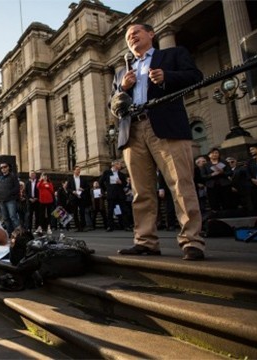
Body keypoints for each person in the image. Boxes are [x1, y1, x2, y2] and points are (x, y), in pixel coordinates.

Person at [110, 23, 205, 260]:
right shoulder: (121, 73)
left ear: (151, 34)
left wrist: (167, 77)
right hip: (133, 130)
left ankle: (192, 241)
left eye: (136, 33)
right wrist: (122, 89)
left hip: (165, 125)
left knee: (180, 184)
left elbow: (196, 77)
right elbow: (112, 106)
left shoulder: (172, 54)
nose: (131, 37)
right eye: (128, 36)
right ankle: (145, 241)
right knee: (141, 191)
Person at [99, 160, 129, 232]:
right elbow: (100, 182)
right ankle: (110, 226)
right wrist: (106, 190)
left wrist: (121, 182)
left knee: (124, 210)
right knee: (110, 211)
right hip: (111, 195)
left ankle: (126, 226)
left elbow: (125, 184)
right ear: (114, 165)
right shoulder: (107, 173)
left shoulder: (121, 174)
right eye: (119, 164)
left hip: (120, 195)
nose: (120, 166)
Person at [0, 162, 20, 235]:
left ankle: (19, 234)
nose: (3, 169)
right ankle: (10, 234)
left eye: (5, 167)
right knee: (6, 219)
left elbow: (17, 188)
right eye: (1, 168)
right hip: (2, 201)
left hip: (10, 200)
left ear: (8, 167)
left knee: (13, 217)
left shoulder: (13, 176)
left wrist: (9, 193)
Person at [67, 166, 90, 232]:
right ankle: (77, 227)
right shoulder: (70, 179)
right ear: (74, 171)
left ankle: (83, 226)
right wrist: (72, 191)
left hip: (81, 198)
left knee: (82, 212)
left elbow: (88, 187)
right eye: (77, 170)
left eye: (79, 170)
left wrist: (83, 189)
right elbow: (68, 188)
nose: (78, 171)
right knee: (75, 213)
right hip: (74, 198)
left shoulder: (83, 179)